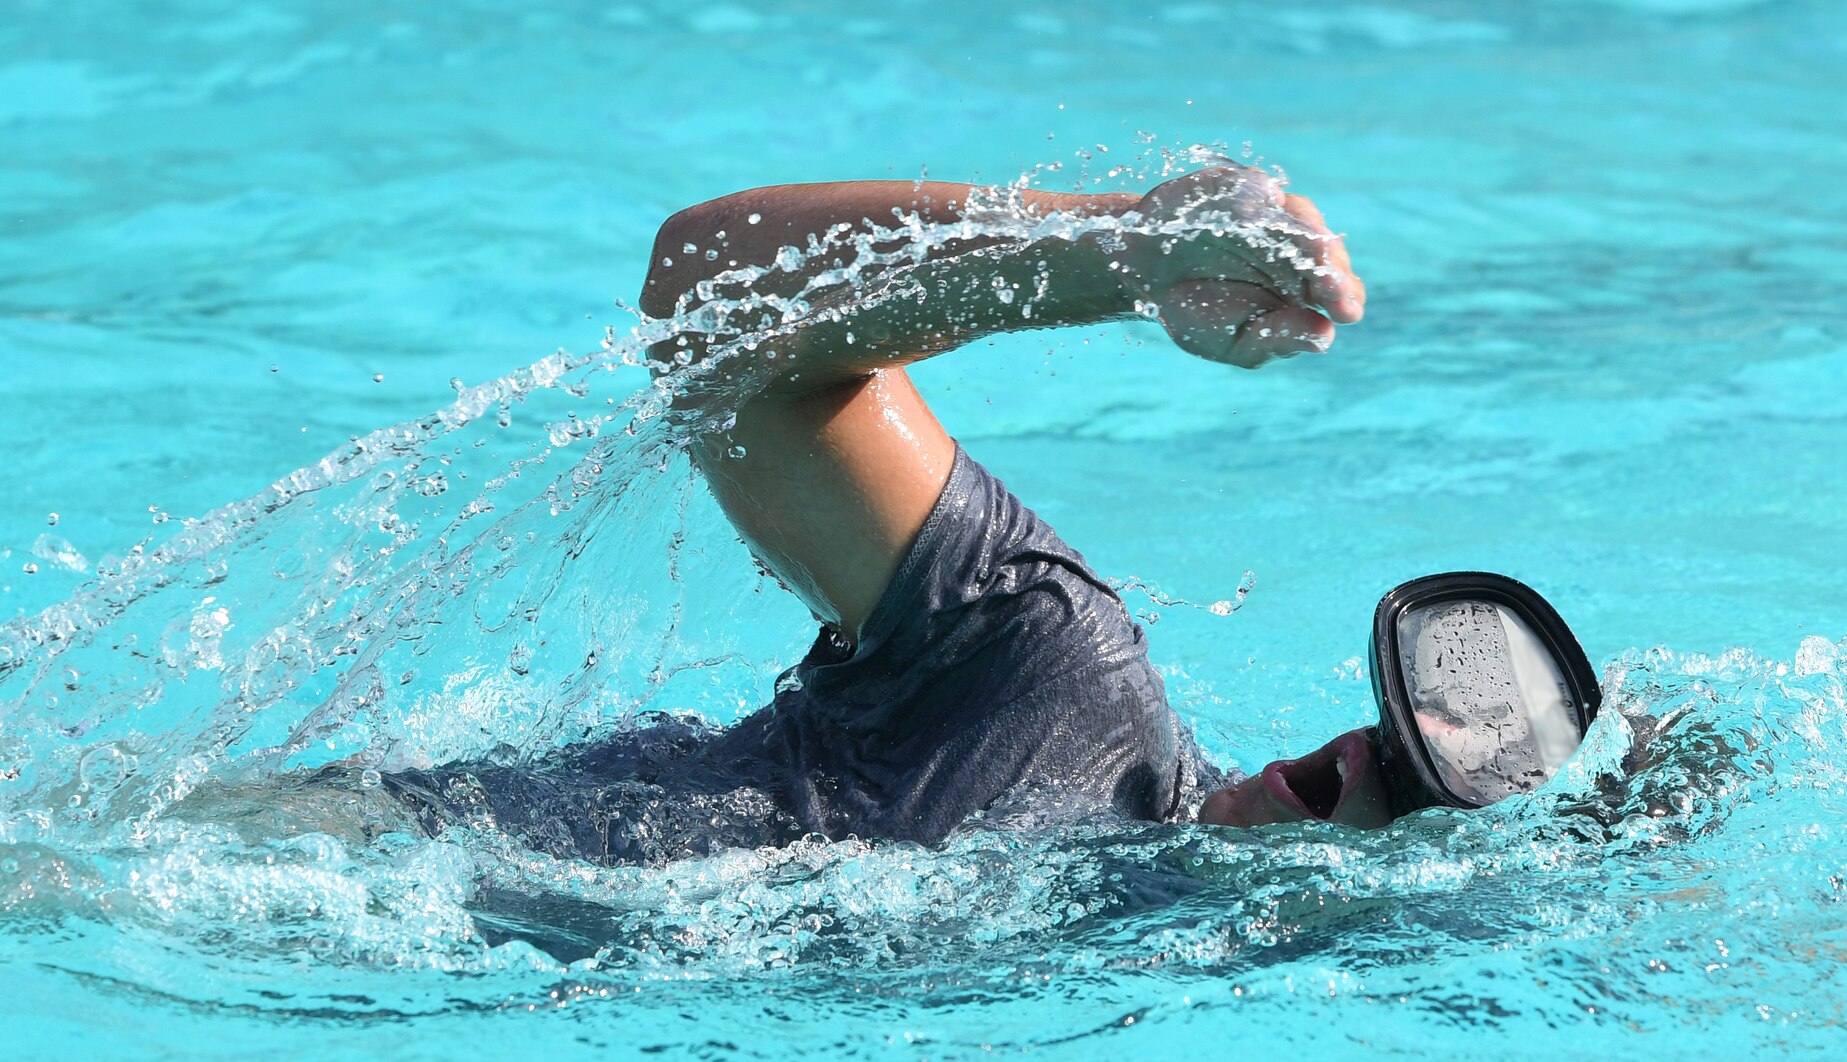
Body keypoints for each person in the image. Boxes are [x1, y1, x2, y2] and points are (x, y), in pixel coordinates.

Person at [373, 163, 1396, 865]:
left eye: (1477, 766)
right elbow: (711, 293)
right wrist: (1124, 252)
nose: (1414, 739)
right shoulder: (1062, 685)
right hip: (331, 866)